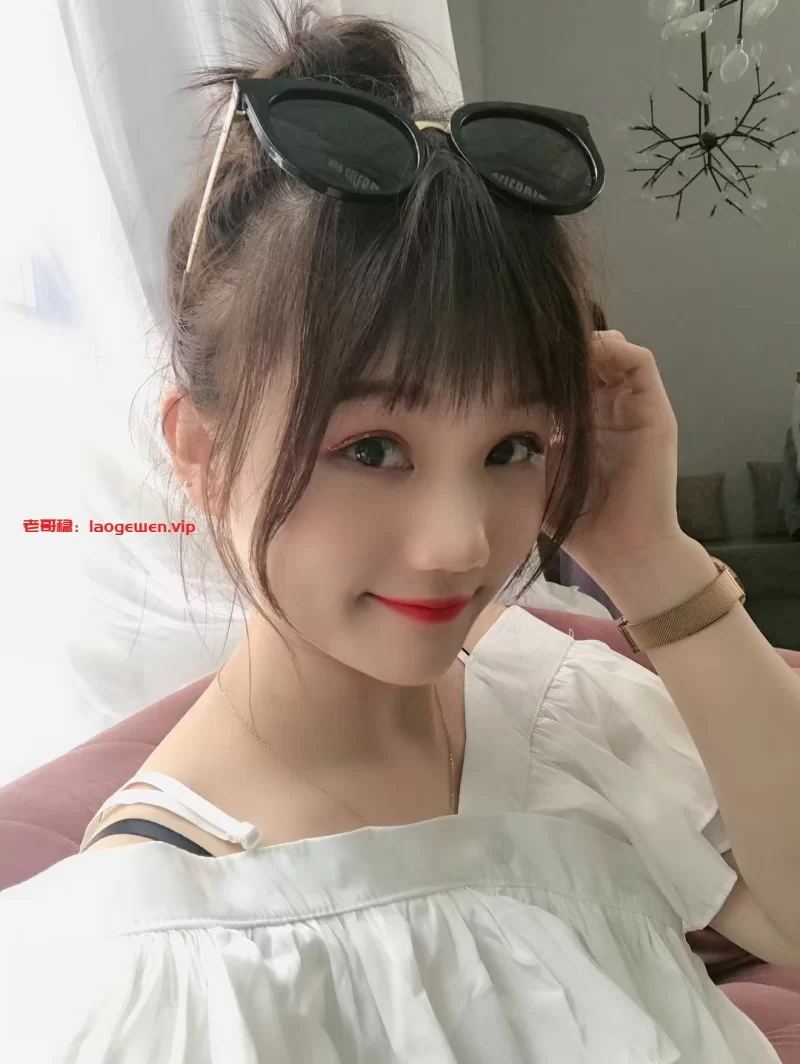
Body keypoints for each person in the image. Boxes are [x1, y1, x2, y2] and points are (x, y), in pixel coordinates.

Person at [2, 3, 800, 1061]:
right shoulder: (152, 970)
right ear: (200, 451)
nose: (459, 543)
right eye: (371, 448)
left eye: (511, 445)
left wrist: (649, 559)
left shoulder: (554, 708)